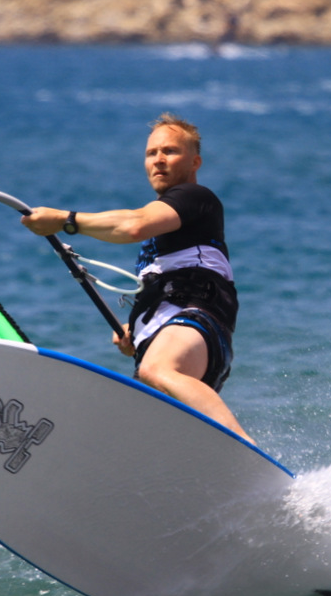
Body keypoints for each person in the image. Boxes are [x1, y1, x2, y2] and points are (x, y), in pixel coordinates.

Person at [20, 113, 254, 444]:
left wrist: (64, 220)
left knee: (155, 370)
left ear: (195, 162)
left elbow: (134, 226)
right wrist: (138, 329)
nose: (158, 159)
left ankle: (244, 446)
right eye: (151, 153)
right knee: (140, 433)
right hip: (183, 339)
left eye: (170, 151)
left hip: (200, 323)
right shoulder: (166, 238)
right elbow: (168, 284)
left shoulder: (195, 197)